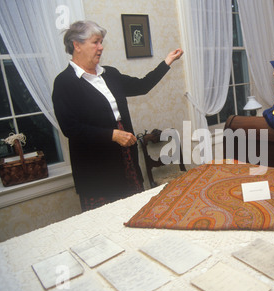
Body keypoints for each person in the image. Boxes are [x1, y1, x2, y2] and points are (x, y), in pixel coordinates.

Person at [52, 21, 183, 211]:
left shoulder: (109, 74)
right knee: (107, 221)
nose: (101, 47)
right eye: (95, 42)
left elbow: (142, 86)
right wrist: (112, 135)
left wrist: (167, 62)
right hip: (97, 168)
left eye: (101, 42)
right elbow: (70, 128)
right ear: (77, 45)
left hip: (125, 159)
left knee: (134, 213)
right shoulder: (65, 82)